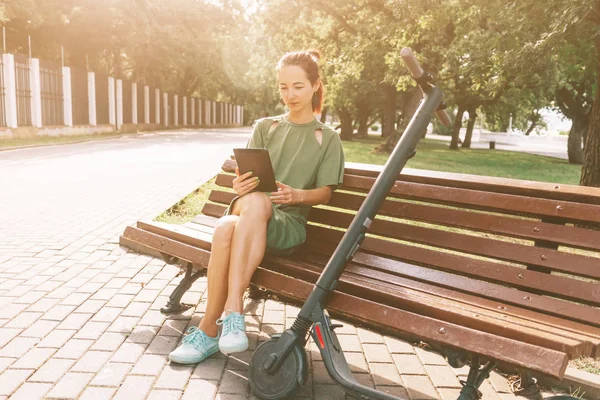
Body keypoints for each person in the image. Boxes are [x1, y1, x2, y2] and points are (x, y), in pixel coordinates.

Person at [168, 49, 345, 365]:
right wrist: (241, 186)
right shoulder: (266, 127)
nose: (289, 95)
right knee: (235, 216)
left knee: (226, 225)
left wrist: (297, 197)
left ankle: (214, 326)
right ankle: (224, 321)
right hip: (251, 213)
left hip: (286, 226)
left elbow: (325, 193)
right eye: (283, 87)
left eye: (298, 87)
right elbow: (245, 178)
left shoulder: (327, 138)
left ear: (316, 85)